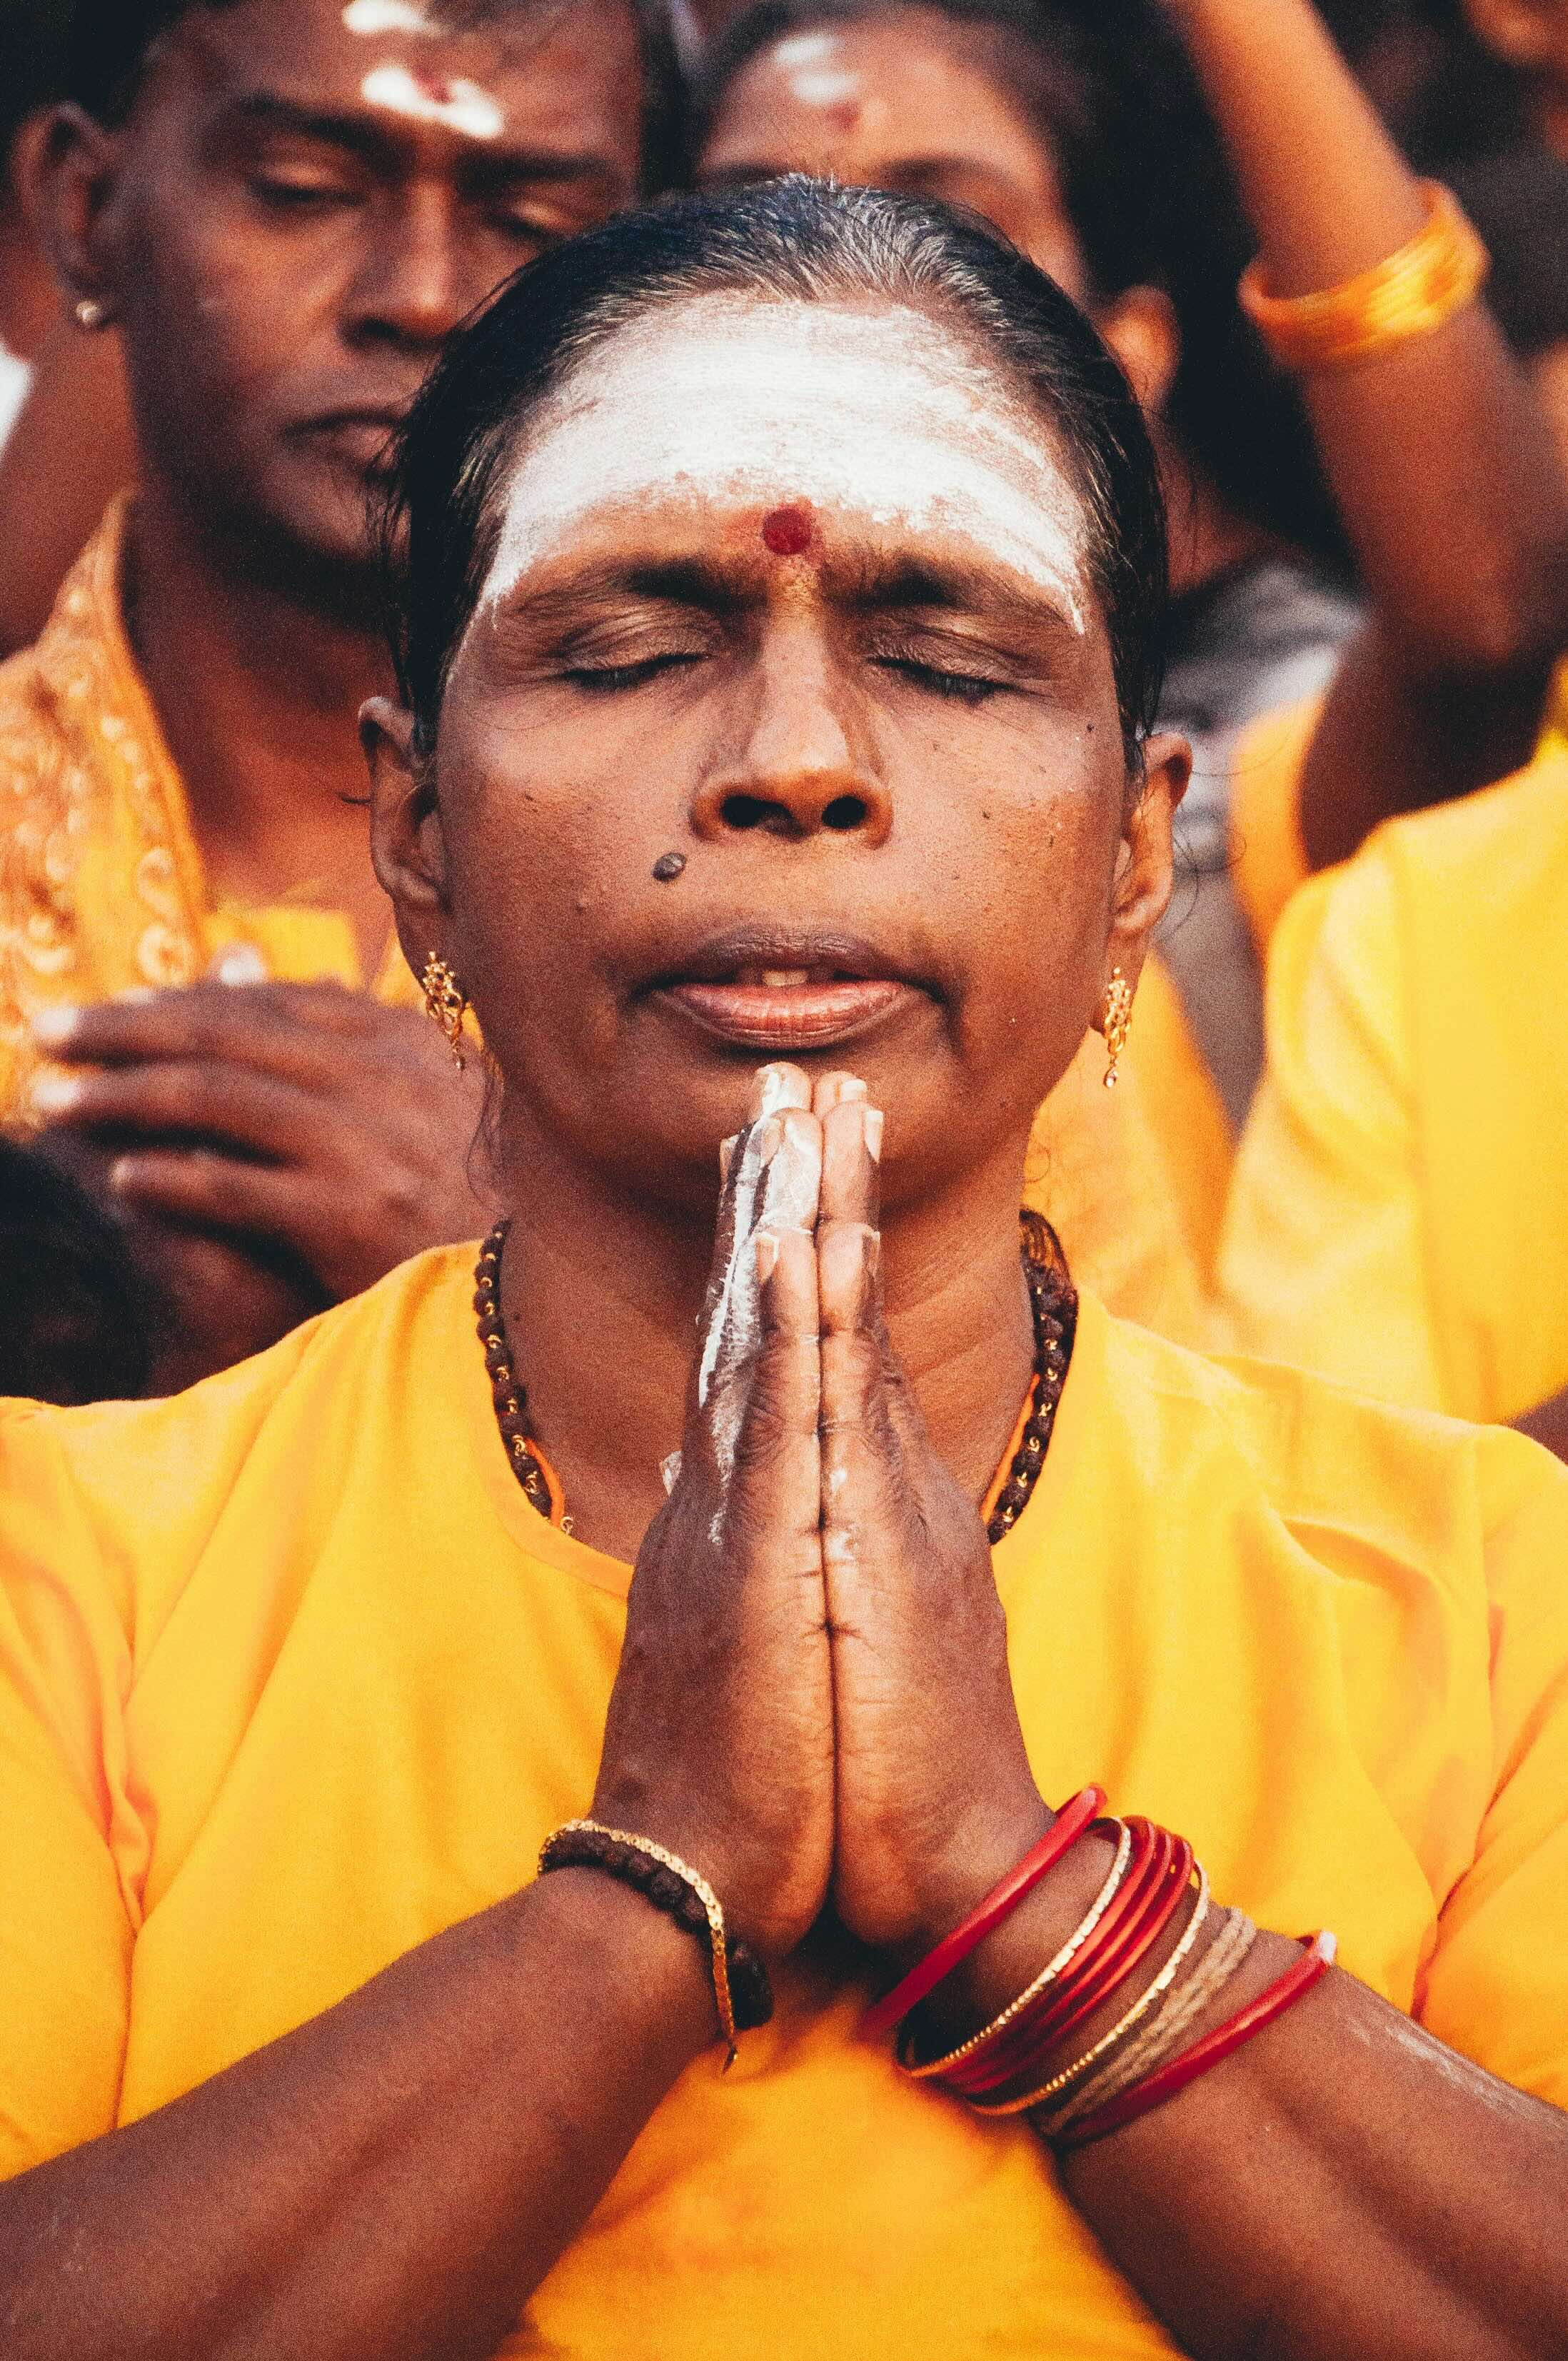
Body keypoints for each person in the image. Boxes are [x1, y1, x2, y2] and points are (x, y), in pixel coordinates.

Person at [5, 180, 1568, 2359]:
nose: (795, 765)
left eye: (945, 662)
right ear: (417, 835)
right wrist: (657, 1890)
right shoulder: (63, 1573)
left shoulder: (1491, 1593)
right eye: (627, 651)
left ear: (1135, 856)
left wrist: (1013, 1897)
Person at [0, 0, 675, 1385]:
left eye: (528, 217)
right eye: (305, 191)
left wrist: (554, 1278)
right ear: (85, 207)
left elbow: (1122, 1536)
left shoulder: (842, 914)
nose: (422, 294)